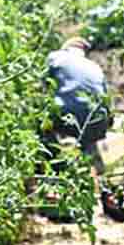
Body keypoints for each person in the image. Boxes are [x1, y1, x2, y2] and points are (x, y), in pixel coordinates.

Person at [41, 36, 112, 176]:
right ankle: (102, 182)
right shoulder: (94, 66)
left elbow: (42, 87)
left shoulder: (55, 57)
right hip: (97, 120)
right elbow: (106, 98)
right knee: (89, 141)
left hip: (68, 117)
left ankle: (57, 174)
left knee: (42, 128)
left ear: (66, 48)